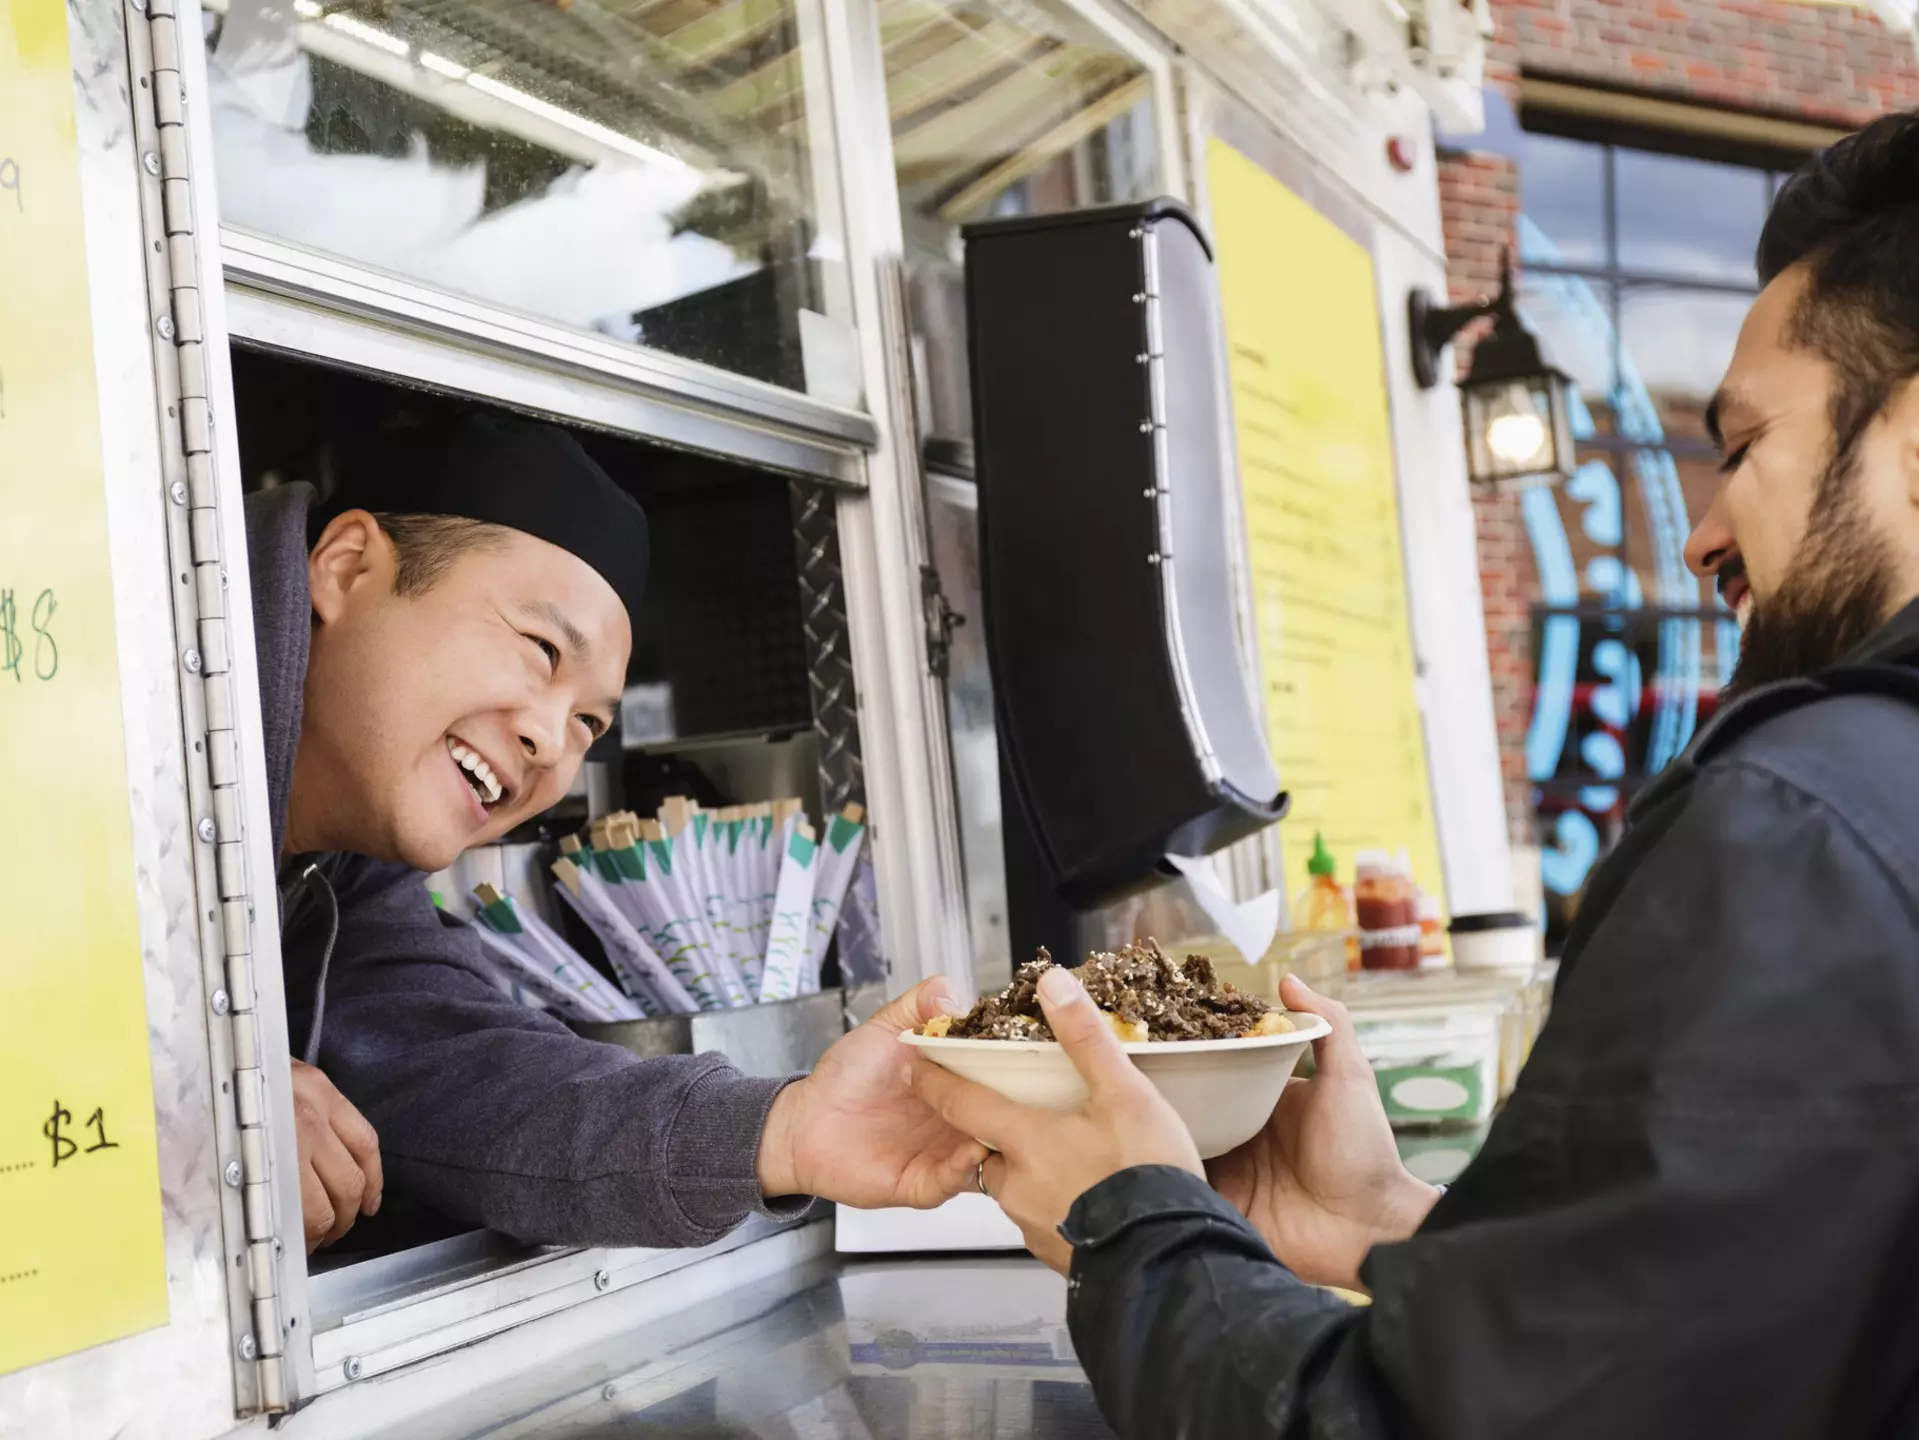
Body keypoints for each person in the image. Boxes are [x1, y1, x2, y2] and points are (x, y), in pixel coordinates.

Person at [911, 111, 1919, 1437]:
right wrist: (1381, 1221)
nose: (1700, 537)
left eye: (1735, 448)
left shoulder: (1802, 817)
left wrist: (1132, 1222)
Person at [251, 411, 984, 1254]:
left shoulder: (341, 877)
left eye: (590, 727)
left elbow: (463, 1077)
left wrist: (778, 1134)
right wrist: (196, 1106)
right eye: (538, 650)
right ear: (345, 568)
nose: (548, 746)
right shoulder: (106, 710)